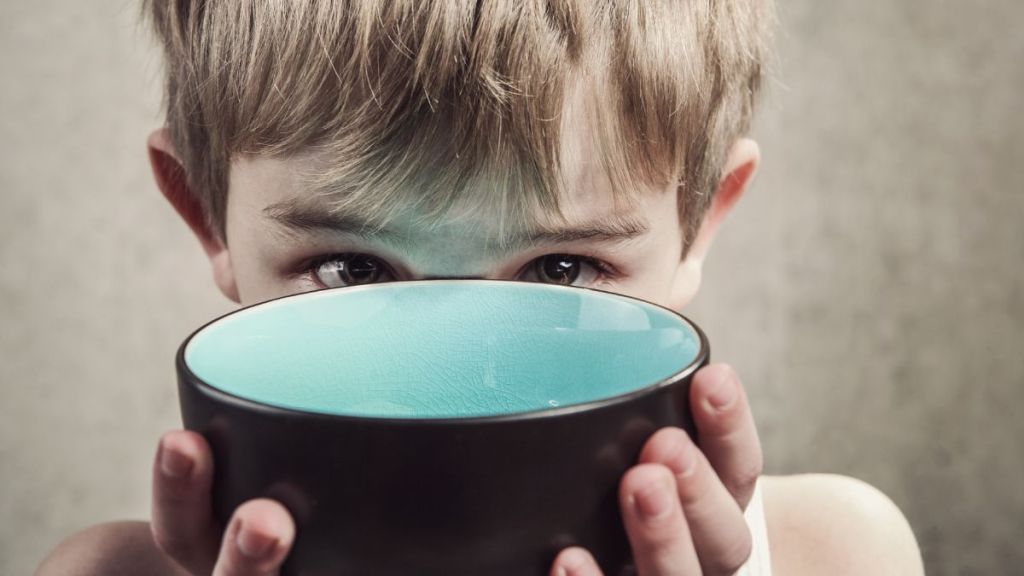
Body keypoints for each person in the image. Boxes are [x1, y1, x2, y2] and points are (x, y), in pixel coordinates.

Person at [38, 1, 924, 575]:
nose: (456, 380)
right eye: (353, 269)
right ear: (204, 214)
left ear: (700, 224)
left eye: (561, 270)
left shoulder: (840, 553)